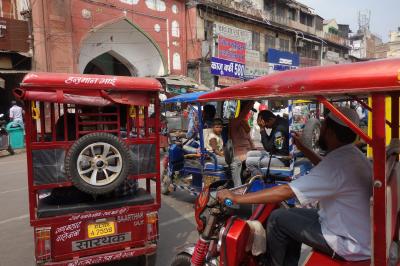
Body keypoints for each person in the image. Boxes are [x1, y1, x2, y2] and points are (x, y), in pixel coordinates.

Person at [217, 107, 372, 265]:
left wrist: (236, 197)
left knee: (277, 219)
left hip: (347, 242)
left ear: (330, 132)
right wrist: (304, 149)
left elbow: (286, 190)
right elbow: (326, 166)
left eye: (323, 126)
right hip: (353, 231)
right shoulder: (351, 155)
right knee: (289, 214)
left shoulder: (337, 164)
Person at [246, 110, 289, 175]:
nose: (266, 127)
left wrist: (262, 129)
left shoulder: (279, 129)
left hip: (281, 160)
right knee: (249, 154)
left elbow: (268, 147)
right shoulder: (278, 123)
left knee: (249, 162)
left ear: (271, 119)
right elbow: (270, 143)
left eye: (265, 124)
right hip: (275, 154)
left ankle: (261, 179)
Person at [205, 118, 241, 186]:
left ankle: (233, 180)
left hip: (218, 156)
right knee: (233, 164)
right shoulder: (212, 137)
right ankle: (238, 186)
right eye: (217, 127)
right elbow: (215, 150)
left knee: (238, 161)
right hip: (213, 157)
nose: (219, 129)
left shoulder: (218, 135)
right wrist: (223, 156)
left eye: (220, 127)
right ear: (213, 127)